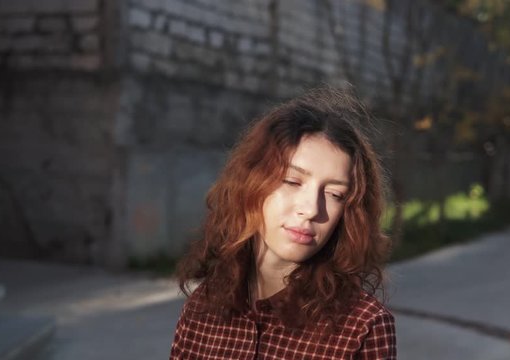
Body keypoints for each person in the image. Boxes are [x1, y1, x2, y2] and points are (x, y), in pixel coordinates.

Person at [170, 87, 396, 359]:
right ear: (251, 183)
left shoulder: (362, 327)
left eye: (335, 194)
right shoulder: (202, 309)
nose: (311, 209)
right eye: (292, 181)